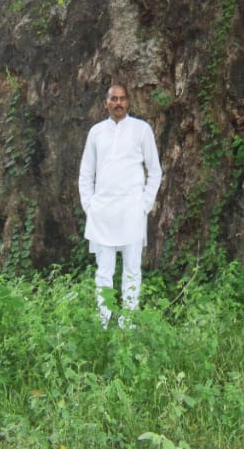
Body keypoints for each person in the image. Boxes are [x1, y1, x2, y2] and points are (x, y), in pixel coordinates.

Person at [78, 82, 162, 327]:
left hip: (132, 211)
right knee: (104, 272)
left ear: (128, 102)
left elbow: (154, 171)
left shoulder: (141, 130)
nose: (118, 103)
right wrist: (89, 206)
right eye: (113, 99)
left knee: (132, 270)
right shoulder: (96, 132)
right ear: (105, 103)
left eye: (122, 98)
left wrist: (144, 204)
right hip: (102, 212)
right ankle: (104, 323)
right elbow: (86, 172)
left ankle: (129, 324)